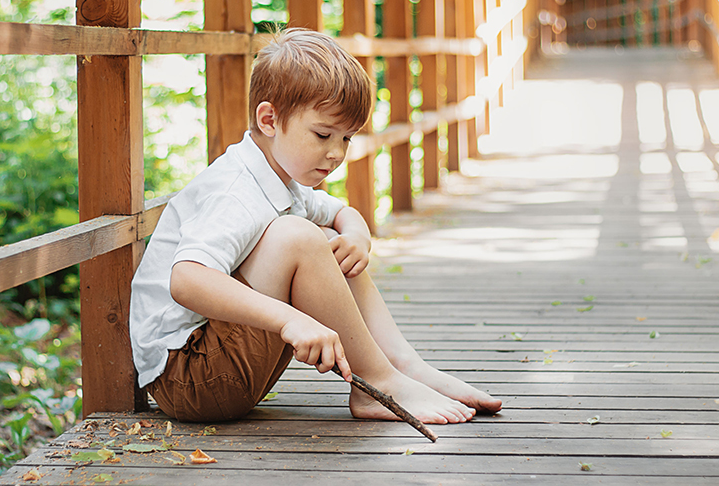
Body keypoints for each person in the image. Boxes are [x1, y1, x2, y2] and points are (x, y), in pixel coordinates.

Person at [129, 28, 502, 424]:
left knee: (325, 237)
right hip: (191, 377)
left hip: (219, 363)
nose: (336, 153)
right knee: (302, 237)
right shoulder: (234, 191)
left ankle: (400, 364)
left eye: (346, 138)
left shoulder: (279, 175)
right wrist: (291, 319)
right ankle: (376, 381)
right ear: (269, 119)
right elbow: (186, 280)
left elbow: (340, 211)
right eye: (323, 134)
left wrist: (357, 235)